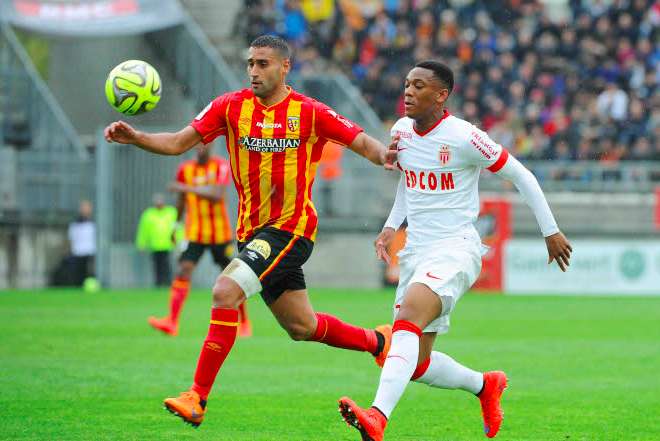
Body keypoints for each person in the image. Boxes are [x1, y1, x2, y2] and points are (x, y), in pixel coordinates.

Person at [104, 34, 397, 427]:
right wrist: (136, 137)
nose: (254, 71)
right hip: (251, 232)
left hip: (291, 228)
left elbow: (361, 141)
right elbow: (177, 142)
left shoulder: (309, 112)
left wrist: (386, 155)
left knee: (225, 291)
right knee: (301, 326)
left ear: (284, 67)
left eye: (263, 64)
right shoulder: (230, 107)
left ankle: (197, 397)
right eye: (250, 63)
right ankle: (378, 341)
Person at [338, 61, 573, 441]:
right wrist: (389, 227)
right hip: (416, 252)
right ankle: (485, 385)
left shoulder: (465, 137)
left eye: (418, 86)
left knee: (407, 322)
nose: (408, 92)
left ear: (441, 95)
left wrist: (551, 231)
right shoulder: (400, 131)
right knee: (415, 362)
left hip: (455, 249)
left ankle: (378, 417)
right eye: (406, 84)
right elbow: (408, 181)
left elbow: (521, 175)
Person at [147, 144, 252, 338]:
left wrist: (185, 187)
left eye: (205, 144)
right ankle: (172, 322)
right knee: (183, 270)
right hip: (194, 233)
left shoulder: (220, 166)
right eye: (197, 145)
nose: (200, 148)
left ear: (211, 146)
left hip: (219, 234)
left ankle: (244, 323)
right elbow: (181, 201)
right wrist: (175, 226)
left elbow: (216, 195)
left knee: (234, 278)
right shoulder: (185, 169)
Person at [135, 193, 177, 287]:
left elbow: (177, 228)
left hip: (168, 245)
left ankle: (168, 283)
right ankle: (158, 283)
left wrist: (180, 241)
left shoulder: (171, 212)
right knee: (157, 265)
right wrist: (141, 243)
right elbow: (143, 230)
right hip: (155, 245)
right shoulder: (148, 214)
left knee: (167, 265)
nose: (159, 203)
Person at [67, 200, 96, 286]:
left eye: (87, 208)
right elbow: (71, 238)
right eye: (83, 208)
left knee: (90, 274)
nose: (85, 210)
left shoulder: (94, 222)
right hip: (77, 252)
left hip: (90, 252)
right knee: (78, 275)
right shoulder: (75, 223)